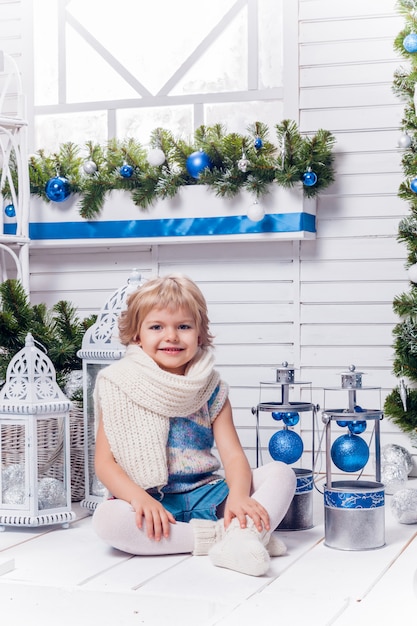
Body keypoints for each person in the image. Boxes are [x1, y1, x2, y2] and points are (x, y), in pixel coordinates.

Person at [92, 274, 296, 577]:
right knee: (108, 521)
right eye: (156, 327)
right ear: (137, 336)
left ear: (200, 334)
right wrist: (138, 497)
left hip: (209, 495)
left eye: (183, 326)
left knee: (282, 473)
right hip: (154, 504)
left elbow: (233, 457)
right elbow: (105, 463)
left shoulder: (212, 388)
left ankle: (240, 531)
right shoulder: (118, 384)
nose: (171, 336)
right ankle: (236, 537)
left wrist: (238, 496)